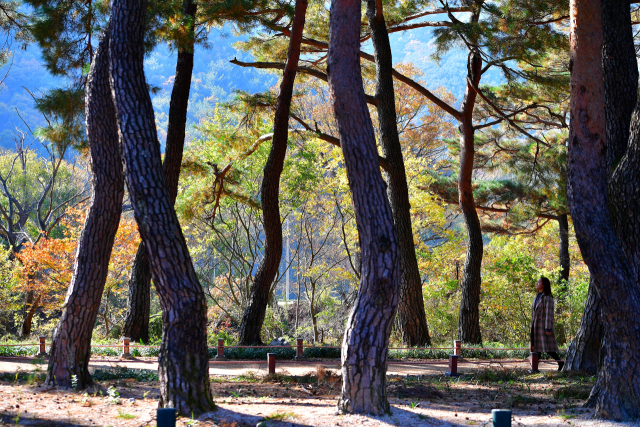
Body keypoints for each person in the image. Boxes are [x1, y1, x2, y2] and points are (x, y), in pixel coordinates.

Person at [530, 276, 564, 371]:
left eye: (539, 282)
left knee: (547, 347)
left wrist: (548, 328)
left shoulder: (548, 298)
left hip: (543, 326)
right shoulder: (537, 297)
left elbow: (549, 314)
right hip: (535, 325)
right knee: (537, 347)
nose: (537, 283)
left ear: (544, 285)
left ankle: (560, 363)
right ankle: (534, 368)